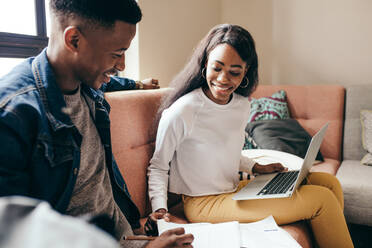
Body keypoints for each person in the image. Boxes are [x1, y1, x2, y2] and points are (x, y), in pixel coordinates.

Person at [0, 0, 193, 247]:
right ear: (74, 41)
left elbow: (114, 81)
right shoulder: (13, 116)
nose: (122, 65)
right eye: (117, 53)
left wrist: (138, 84)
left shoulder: (87, 85)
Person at [147, 24, 354, 248]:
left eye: (234, 72)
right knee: (321, 200)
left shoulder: (240, 105)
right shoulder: (183, 110)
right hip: (203, 203)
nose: (223, 79)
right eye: (217, 68)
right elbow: (158, 165)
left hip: (234, 191)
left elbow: (224, 152)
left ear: (246, 71)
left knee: (329, 183)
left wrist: (256, 168)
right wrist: (160, 209)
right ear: (205, 63)